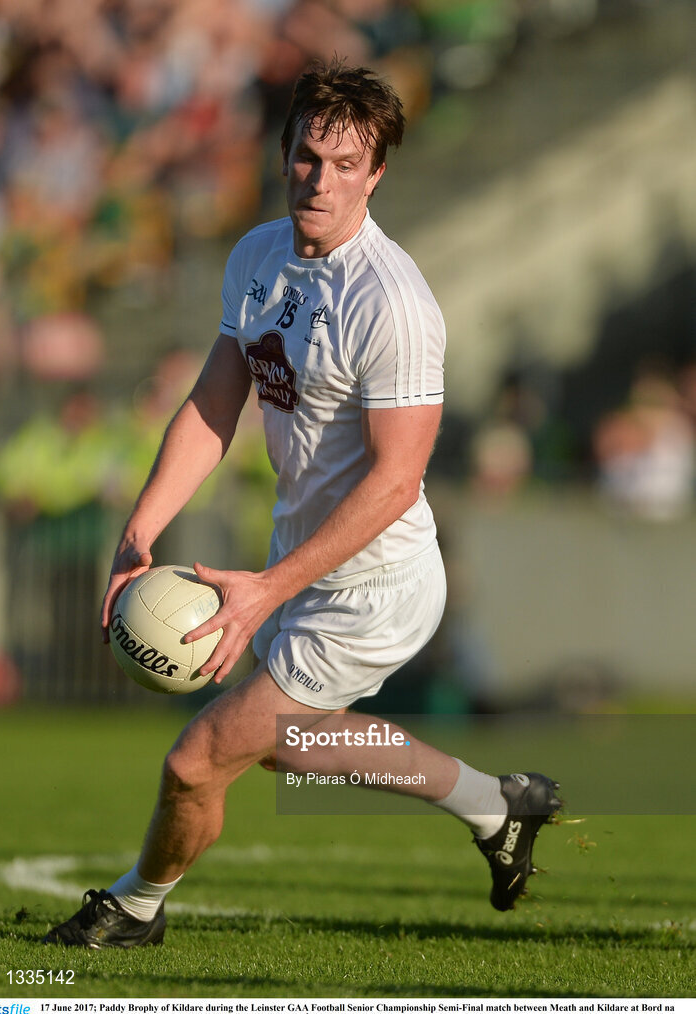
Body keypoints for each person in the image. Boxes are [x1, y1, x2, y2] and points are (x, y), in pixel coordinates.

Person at [44, 60, 560, 950]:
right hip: (295, 567)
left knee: (197, 759)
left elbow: (396, 480)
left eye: (345, 164)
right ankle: (496, 804)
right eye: (308, 156)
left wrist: (266, 590)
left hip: (373, 586)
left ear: (376, 175)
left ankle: (133, 908)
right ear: (283, 154)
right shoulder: (257, 256)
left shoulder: (391, 302)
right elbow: (215, 403)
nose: (321, 180)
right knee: (287, 744)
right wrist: (139, 532)